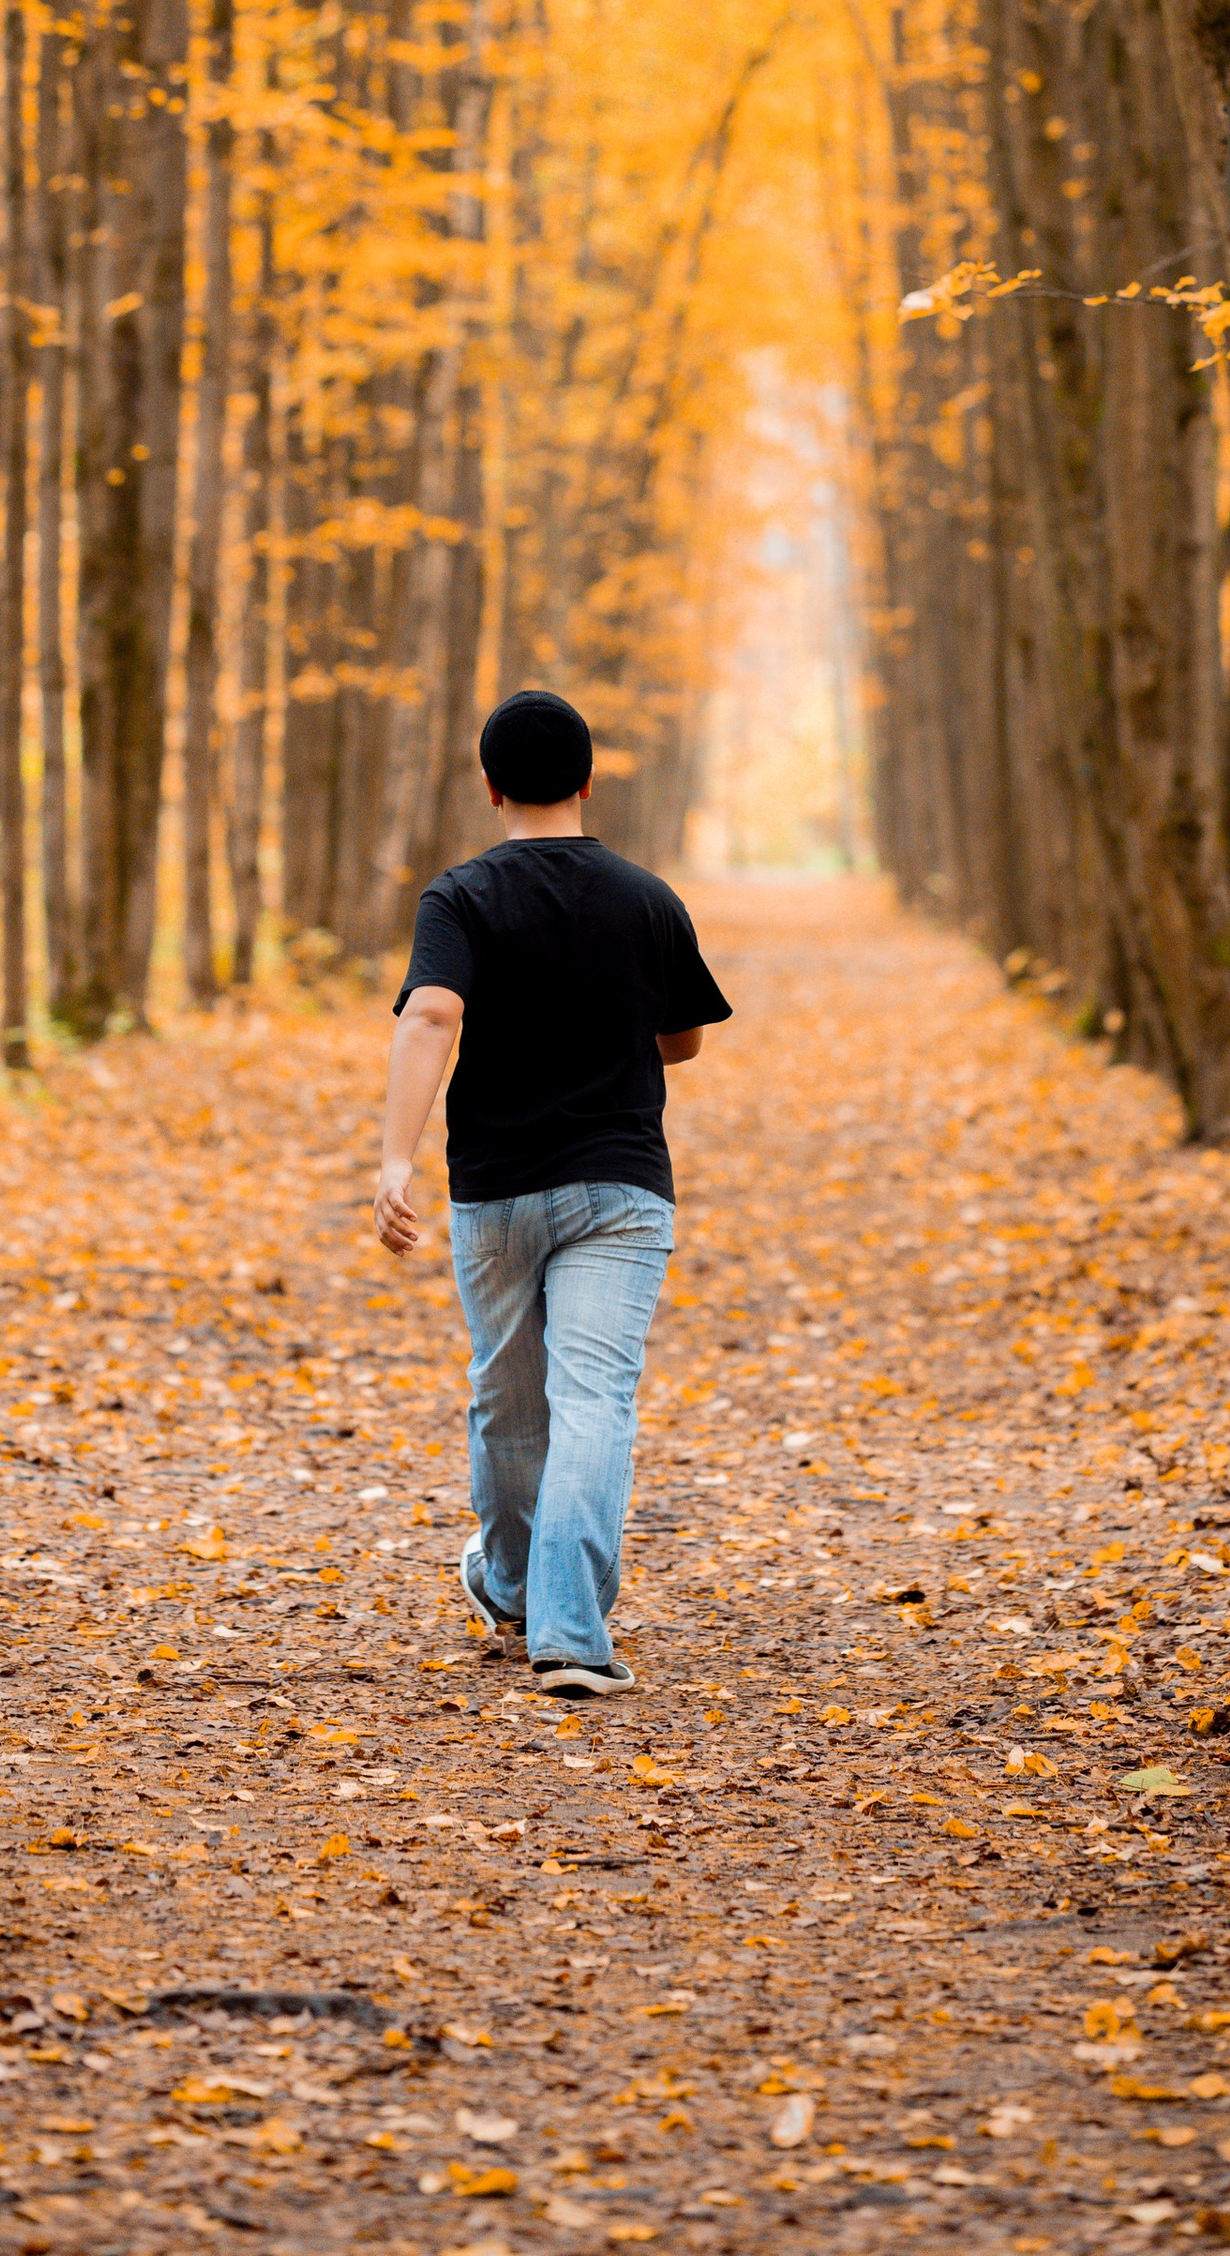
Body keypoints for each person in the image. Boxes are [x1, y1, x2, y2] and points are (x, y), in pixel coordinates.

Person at [373, 686, 731, 1699]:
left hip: (494, 1191)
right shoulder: (647, 899)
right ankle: (564, 1627)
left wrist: (395, 1159)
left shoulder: (459, 898)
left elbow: (431, 1015)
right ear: (586, 779)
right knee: (593, 1403)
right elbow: (684, 1038)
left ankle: (517, 1585)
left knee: (507, 1397)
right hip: (619, 1188)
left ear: (491, 787)